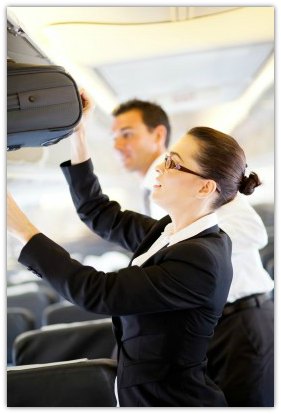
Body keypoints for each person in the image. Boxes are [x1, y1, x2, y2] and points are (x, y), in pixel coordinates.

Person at [7, 92, 261, 407]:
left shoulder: (201, 257)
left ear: (205, 187)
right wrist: (78, 134)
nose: (160, 168)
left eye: (173, 163)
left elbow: (99, 292)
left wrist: (21, 228)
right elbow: (99, 212)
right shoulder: (169, 231)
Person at [112, 99, 274, 407]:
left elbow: (254, 231)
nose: (119, 144)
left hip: (242, 321)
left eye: (127, 134)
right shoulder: (159, 191)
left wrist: (184, 256)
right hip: (208, 327)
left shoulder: (198, 173)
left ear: (158, 137)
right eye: (114, 136)